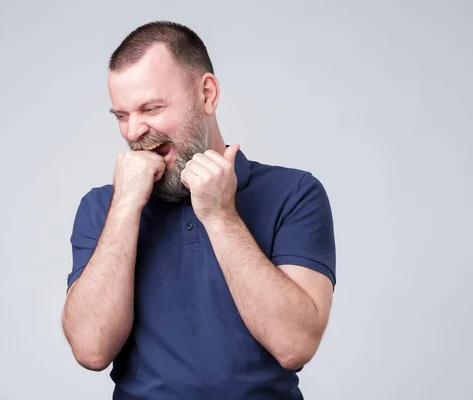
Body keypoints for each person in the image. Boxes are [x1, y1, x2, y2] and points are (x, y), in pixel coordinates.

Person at [61, 20, 336, 400]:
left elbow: (295, 345)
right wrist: (125, 206)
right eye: (122, 115)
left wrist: (221, 215)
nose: (132, 131)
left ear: (206, 94)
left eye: (151, 108)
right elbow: (91, 350)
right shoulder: (101, 209)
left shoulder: (295, 193)